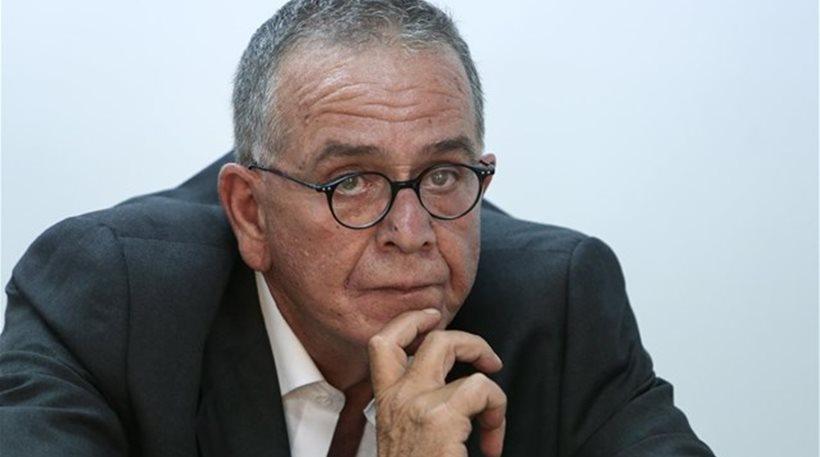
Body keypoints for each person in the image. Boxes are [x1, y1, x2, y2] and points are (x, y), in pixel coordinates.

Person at [0, 1, 714, 456]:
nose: (412, 230)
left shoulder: (558, 303)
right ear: (250, 212)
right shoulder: (111, 297)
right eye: (351, 181)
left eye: (443, 174)